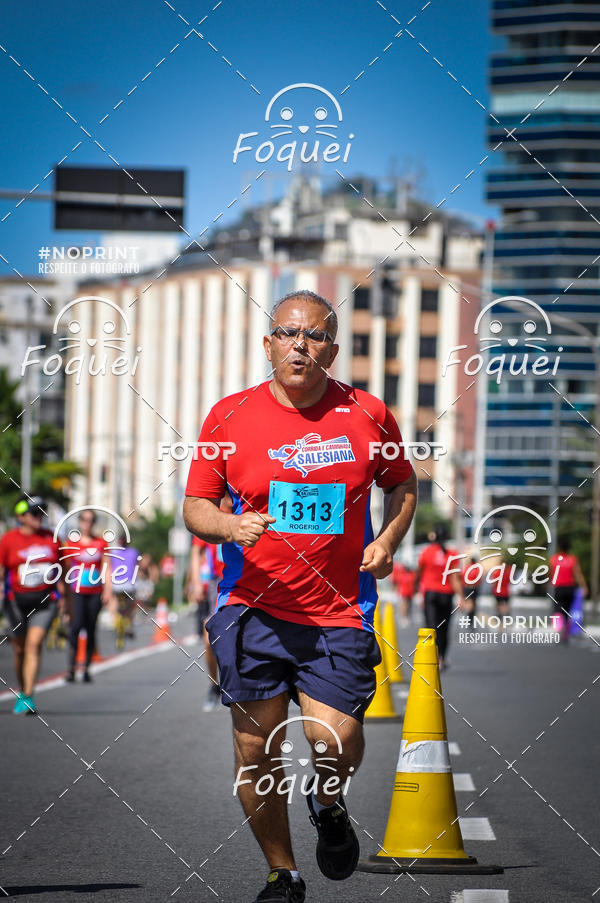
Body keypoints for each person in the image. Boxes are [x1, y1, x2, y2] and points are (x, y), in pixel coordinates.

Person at [183, 289, 417, 903]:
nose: (300, 345)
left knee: (329, 740)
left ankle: (328, 801)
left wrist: (389, 539)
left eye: (314, 336)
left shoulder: (369, 413)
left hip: (338, 609)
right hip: (251, 604)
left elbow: (402, 483)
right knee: (254, 746)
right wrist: (229, 526)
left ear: (332, 351)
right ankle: (282, 873)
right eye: (288, 333)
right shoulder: (227, 417)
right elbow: (195, 505)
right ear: (268, 345)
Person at [0, 497, 64, 714]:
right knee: (19, 649)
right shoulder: (8, 540)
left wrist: (68, 603)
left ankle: (28, 695)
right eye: (34, 513)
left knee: (34, 645)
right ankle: (22, 689)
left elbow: (64, 572)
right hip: (15, 601)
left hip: (45, 602)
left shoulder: (53, 539)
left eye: (41, 513)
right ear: (21, 517)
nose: (39, 517)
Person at [62, 509, 112, 683]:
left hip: (95, 592)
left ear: (94, 522)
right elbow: (66, 569)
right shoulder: (71, 543)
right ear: (79, 521)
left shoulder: (101, 543)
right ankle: (71, 668)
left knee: (90, 629)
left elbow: (106, 566)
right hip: (76, 592)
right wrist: (64, 595)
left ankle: (87, 668)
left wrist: (108, 590)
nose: (87, 523)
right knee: (75, 627)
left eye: (90, 520)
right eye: (84, 519)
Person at [414, 525, 464, 669]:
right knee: (444, 628)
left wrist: (416, 589)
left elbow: (418, 572)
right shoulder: (452, 554)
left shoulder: (426, 552)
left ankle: (433, 656)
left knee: (431, 626)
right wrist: (461, 597)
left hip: (430, 593)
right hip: (446, 594)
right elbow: (455, 578)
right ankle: (441, 657)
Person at [188, 535, 223, 711]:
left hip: (246, 581)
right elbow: (196, 549)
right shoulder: (212, 511)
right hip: (217, 583)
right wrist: (195, 582)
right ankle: (214, 685)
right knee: (209, 639)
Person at [549, 536, 588, 643]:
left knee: (557, 610)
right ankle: (565, 634)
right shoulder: (572, 559)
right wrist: (584, 586)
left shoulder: (554, 559)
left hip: (559, 588)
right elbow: (578, 574)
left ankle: (558, 630)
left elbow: (550, 573)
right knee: (567, 611)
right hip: (570, 588)